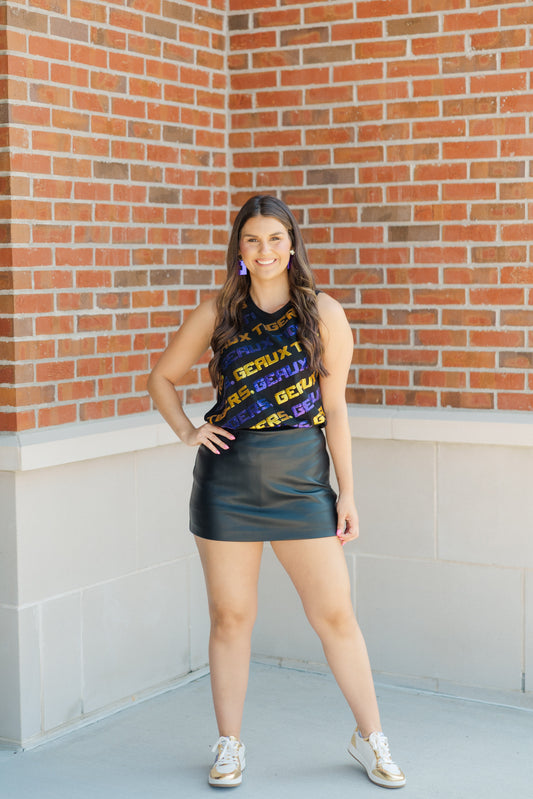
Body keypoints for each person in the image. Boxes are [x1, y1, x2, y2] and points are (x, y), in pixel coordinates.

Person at [147, 195, 406, 790]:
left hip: (302, 480)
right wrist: (188, 429)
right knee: (230, 617)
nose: (264, 251)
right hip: (227, 480)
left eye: (274, 239)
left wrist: (346, 492)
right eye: (252, 240)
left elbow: (334, 408)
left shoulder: (324, 314)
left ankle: (370, 738)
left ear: (292, 244)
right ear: (239, 250)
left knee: (335, 615)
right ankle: (230, 744)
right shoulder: (218, 312)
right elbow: (160, 377)